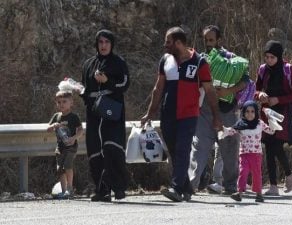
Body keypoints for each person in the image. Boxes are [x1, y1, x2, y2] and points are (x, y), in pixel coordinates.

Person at [141, 26, 222, 202]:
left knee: (182, 149)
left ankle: (176, 188)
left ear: (178, 43)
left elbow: (210, 91)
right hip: (168, 113)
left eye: (168, 42)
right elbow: (158, 87)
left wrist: (216, 116)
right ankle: (186, 187)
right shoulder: (165, 60)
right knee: (174, 151)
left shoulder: (199, 62)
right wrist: (150, 112)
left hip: (189, 114)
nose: (165, 45)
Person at [188, 25, 250, 195]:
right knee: (199, 147)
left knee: (229, 150)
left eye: (211, 40)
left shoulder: (230, 60)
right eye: (205, 40)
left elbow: (246, 80)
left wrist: (228, 92)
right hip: (205, 111)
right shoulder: (200, 59)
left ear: (219, 40)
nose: (208, 43)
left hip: (227, 112)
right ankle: (190, 185)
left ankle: (230, 186)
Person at [80, 29, 130, 202]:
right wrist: (77, 90)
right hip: (94, 112)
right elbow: (85, 87)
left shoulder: (118, 63)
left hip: (112, 111)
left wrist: (106, 81)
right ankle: (102, 190)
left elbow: (124, 83)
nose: (103, 45)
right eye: (100, 42)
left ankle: (118, 187)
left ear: (112, 44)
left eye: (106, 42)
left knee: (112, 147)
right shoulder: (88, 64)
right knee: (94, 150)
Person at [255, 40, 292, 195]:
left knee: (276, 145)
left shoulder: (288, 69)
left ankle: (289, 174)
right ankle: (274, 186)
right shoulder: (263, 70)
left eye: (272, 57)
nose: (269, 60)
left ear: (279, 57)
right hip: (267, 112)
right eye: (267, 57)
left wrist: (278, 100)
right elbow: (255, 89)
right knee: (269, 147)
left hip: (282, 113)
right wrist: (260, 94)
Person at [221, 101, 275, 202]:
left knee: (257, 173)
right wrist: (224, 130)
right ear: (243, 113)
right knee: (243, 172)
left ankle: (259, 194)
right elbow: (231, 131)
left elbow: (271, 131)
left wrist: (271, 120)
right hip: (244, 154)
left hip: (256, 154)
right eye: (247, 111)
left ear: (256, 113)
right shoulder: (240, 124)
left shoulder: (260, 124)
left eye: (252, 111)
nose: (250, 114)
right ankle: (239, 193)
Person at [47, 91, 83, 199]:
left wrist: (74, 138)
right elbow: (48, 129)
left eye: (64, 101)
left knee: (68, 165)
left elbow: (81, 130)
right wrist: (54, 125)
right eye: (59, 102)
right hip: (60, 147)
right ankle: (64, 191)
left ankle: (70, 189)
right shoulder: (56, 116)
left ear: (71, 103)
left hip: (71, 147)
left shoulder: (73, 117)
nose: (61, 104)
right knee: (60, 169)